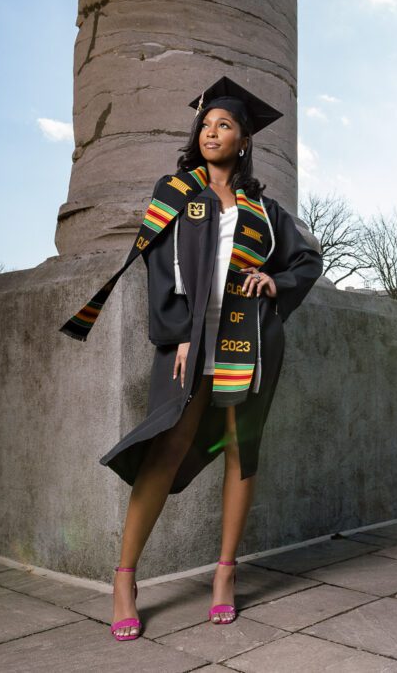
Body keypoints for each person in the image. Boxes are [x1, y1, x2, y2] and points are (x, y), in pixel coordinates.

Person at [59, 76, 323, 641]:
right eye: (205, 125)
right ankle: (126, 577)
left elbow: (306, 261)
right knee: (169, 443)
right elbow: (160, 270)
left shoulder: (264, 209)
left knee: (239, 450)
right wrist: (178, 332)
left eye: (224, 125)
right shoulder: (177, 191)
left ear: (244, 139)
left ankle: (225, 574)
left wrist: (272, 281)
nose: (212, 132)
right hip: (191, 340)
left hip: (249, 343)